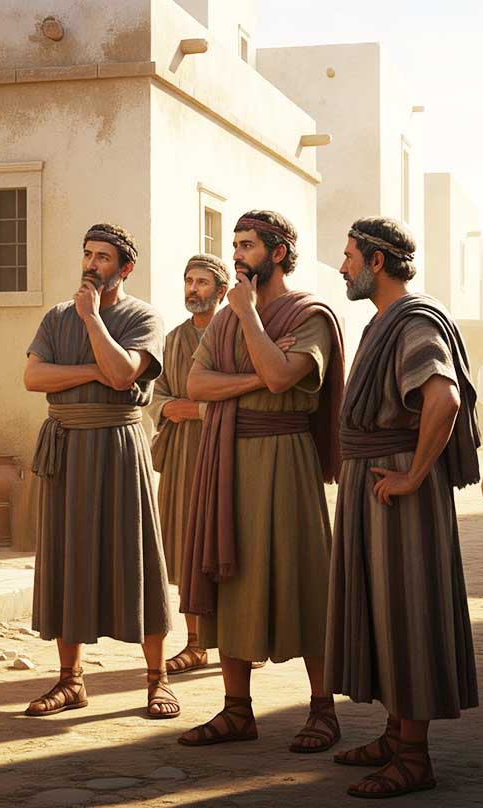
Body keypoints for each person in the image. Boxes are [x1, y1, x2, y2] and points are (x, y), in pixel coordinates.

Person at [325, 217, 481, 799]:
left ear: (377, 262)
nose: (342, 267)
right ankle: (396, 737)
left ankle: (414, 757)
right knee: (384, 610)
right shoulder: (384, 320)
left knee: (408, 610)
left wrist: (413, 474)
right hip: (376, 484)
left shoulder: (414, 322)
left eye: (349, 256)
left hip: (399, 491)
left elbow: (443, 397)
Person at [178, 211, 345, 753]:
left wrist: (248, 316)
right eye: (234, 245)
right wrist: (252, 376)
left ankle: (323, 710)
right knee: (229, 577)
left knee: (304, 577)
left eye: (247, 245)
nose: (237, 255)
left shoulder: (310, 316)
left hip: (286, 458)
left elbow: (282, 377)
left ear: (277, 253)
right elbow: (196, 384)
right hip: (227, 459)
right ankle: (236, 711)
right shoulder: (226, 319)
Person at [23, 223, 179, 719]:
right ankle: (70, 680)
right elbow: (33, 376)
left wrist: (92, 320)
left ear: (125, 268)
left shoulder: (142, 317)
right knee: (66, 555)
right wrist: (91, 370)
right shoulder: (56, 317)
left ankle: (157, 679)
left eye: (103, 257)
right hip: (66, 448)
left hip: (117, 449)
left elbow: (122, 373)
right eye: (88, 254)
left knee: (136, 555)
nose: (91, 265)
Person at [144, 254, 230, 676]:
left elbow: (244, 397)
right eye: (188, 281)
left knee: (227, 544)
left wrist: (195, 410)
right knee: (183, 545)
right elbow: (155, 395)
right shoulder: (173, 339)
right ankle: (195, 643)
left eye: (202, 282)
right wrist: (171, 408)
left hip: (227, 452)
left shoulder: (236, 334)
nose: (193, 289)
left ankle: (238, 641)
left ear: (222, 291)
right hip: (181, 456)